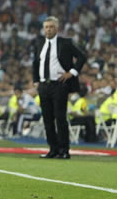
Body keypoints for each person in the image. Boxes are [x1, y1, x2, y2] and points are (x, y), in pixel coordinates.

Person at [32, 16, 86, 159]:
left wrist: (72, 73)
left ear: (57, 28)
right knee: (47, 119)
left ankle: (64, 150)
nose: (48, 29)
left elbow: (81, 57)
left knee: (60, 118)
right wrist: (36, 81)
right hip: (44, 86)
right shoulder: (39, 43)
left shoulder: (65, 43)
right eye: (46, 27)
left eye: (51, 27)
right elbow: (35, 63)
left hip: (59, 84)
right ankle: (53, 149)